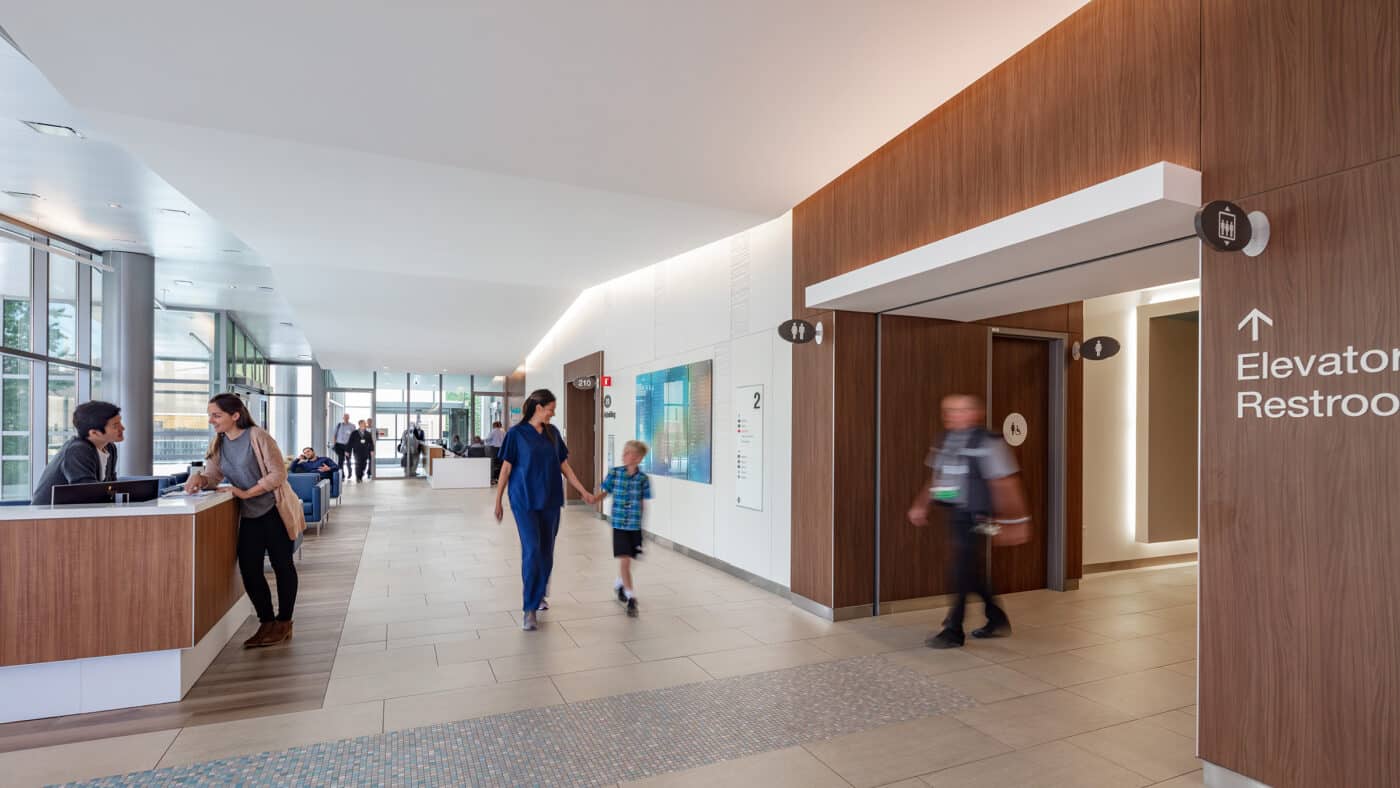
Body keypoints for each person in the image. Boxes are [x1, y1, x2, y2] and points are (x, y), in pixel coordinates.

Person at [909, 394, 1029, 649]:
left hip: (979, 515)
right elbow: (937, 478)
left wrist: (1017, 520)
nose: (954, 414)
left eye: (961, 410)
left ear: (976, 414)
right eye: (949, 410)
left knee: (960, 569)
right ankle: (996, 618)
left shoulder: (989, 442)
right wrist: (922, 504)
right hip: (956, 512)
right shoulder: (944, 440)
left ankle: (954, 629)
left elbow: (1005, 482)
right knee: (968, 569)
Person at [185, 394, 306, 648]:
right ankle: (267, 622)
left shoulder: (257, 436)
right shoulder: (219, 444)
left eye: (217, 415)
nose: (212, 420)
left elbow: (278, 473)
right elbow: (213, 475)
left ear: (235, 415)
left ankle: (284, 622)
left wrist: (245, 493)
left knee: (282, 565)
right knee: (249, 569)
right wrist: (200, 479)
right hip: (250, 514)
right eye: (211, 415)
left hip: (273, 510)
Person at [493, 389, 593, 631]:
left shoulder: (553, 433)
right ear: (539, 408)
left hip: (550, 500)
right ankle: (529, 608)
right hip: (524, 501)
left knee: (546, 553)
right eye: (551, 408)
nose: (553, 412)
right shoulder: (516, 434)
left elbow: (564, 467)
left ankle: (538, 595)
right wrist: (497, 501)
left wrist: (582, 490)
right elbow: (505, 470)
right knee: (532, 549)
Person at [591, 440, 652, 617]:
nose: (624, 455)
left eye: (629, 453)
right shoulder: (615, 473)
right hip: (619, 524)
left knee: (630, 560)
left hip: (634, 526)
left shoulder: (643, 479)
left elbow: (643, 504)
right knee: (625, 560)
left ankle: (619, 584)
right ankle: (631, 598)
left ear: (638, 458)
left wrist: (642, 529)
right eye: (624, 452)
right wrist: (594, 499)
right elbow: (605, 491)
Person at [32, 400, 124, 505]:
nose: (122, 428)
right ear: (94, 433)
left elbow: (110, 488)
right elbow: (87, 493)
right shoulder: (77, 450)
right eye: (115, 425)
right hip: (51, 516)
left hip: (79, 513)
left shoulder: (110, 448)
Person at [331, 414, 355, 480]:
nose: (346, 418)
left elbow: (354, 437)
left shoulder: (352, 426)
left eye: (347, 417)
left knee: (348, 460)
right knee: (340, 460)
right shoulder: (339, 425)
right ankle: (342, 476)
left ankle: (350, 473)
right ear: (343, 418)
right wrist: (334, 444)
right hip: (339, 445)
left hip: (348, 446)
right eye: (345, 417)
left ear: (349, 418)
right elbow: (334, 435)